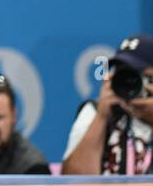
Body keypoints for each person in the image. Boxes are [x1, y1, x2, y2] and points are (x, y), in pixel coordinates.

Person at [62, 35, 153, 175]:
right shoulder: (95, 112)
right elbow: (77, 185)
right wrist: (101, 117)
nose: (130, 81)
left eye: (141, 75)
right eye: (122, 72)